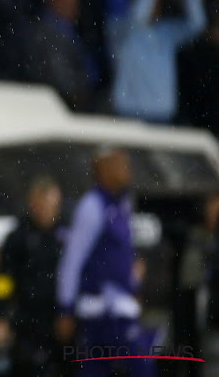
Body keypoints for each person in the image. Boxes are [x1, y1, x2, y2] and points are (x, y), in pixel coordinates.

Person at [56, 147, 155, 377]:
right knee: (140, 370)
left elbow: (122, 255)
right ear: (103, 168)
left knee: (95, 369)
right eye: (120, 164)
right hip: (102, 310)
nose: (127, 169)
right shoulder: (92, 206)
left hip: (119, 306)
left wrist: (134, 286)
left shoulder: (122, 204)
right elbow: (72, 260)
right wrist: (65, 308)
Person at [0, 176, 65, 376]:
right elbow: (3, 278)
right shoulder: (18, 237)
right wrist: (0, 315)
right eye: (41, 205)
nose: (46, 211)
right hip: (26, 318)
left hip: (59, 317)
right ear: (32, 203)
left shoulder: (65, 234)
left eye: (51, 205)